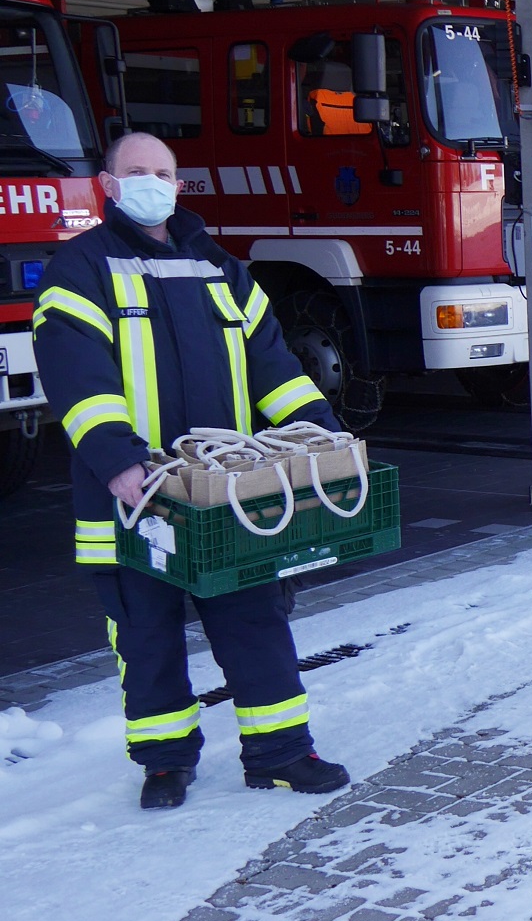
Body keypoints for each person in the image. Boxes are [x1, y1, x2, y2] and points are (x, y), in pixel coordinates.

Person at [33, 132, 353, 811]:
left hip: (223, 491)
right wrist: (118, 461)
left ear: (178, 186)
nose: (152, 182)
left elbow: (275, 366)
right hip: (133, 495)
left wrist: (324, 435)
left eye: (164, 172)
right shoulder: (80, 268)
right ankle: (164, 763)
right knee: (145, 636)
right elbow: (76, 376)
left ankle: (282, 751)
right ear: (109, 185)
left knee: (255, 619)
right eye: (136, 171)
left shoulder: (223, 269)